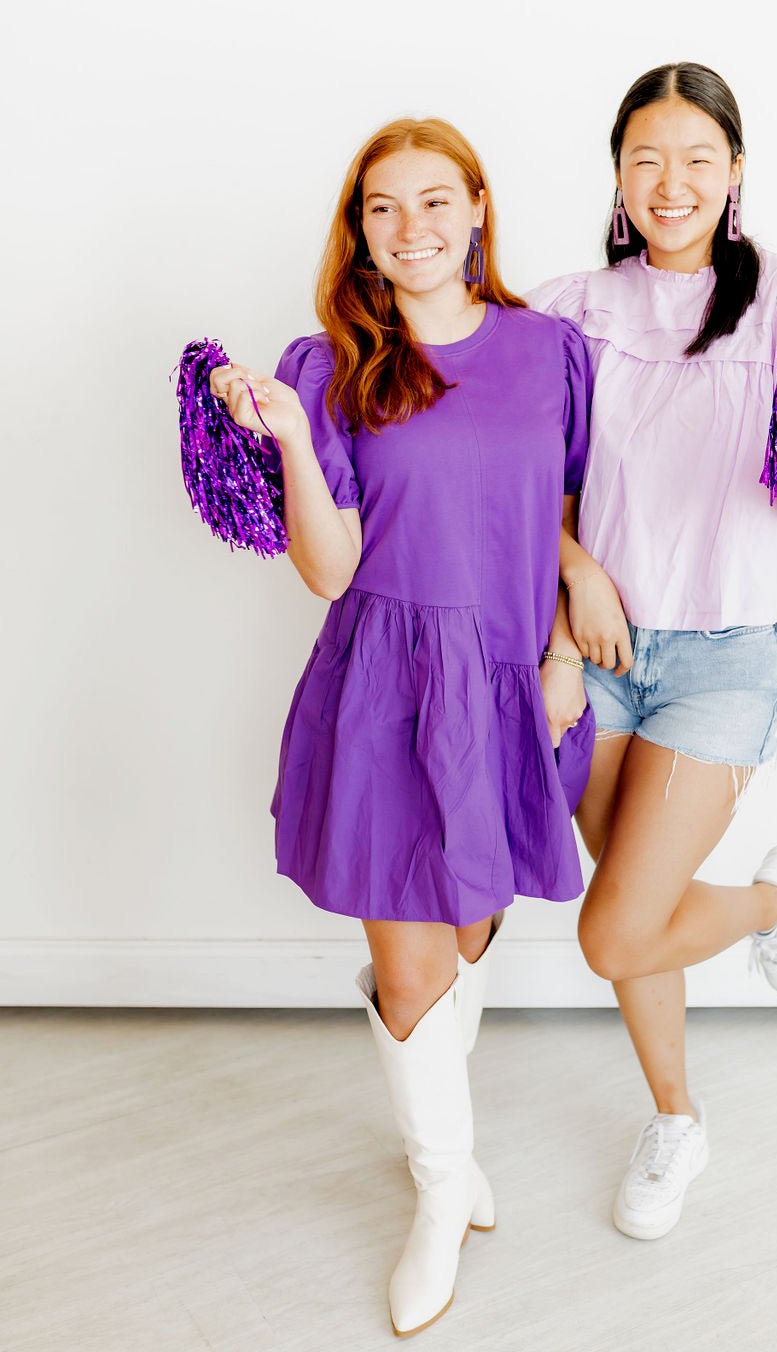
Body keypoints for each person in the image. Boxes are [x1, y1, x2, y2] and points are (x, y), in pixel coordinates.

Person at [211, 117, 595, 1336]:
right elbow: (328, 569)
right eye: (383, 207)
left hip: (510, 679)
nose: (411, 226)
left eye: (435, 200)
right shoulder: (326, 367)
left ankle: (446, 1143)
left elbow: (567, 518)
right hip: (384, 686)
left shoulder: (550, 351)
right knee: (413, 962)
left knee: (470, 923)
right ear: (359, 231)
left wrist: (564, 651)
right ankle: (439, 1191)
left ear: (477, 208)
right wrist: (288, 438)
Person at [529, 61, 777, 1244]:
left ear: (735, 171)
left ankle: (776, 900)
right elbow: (523, 483)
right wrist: (577, 582)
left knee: (614, 929)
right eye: (646, 159)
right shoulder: (573, 312)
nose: (670, 182)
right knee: (633, 911)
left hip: (727, 659)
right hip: (599, 652)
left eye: (697, 158)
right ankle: (676, 1119)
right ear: (617, 175)